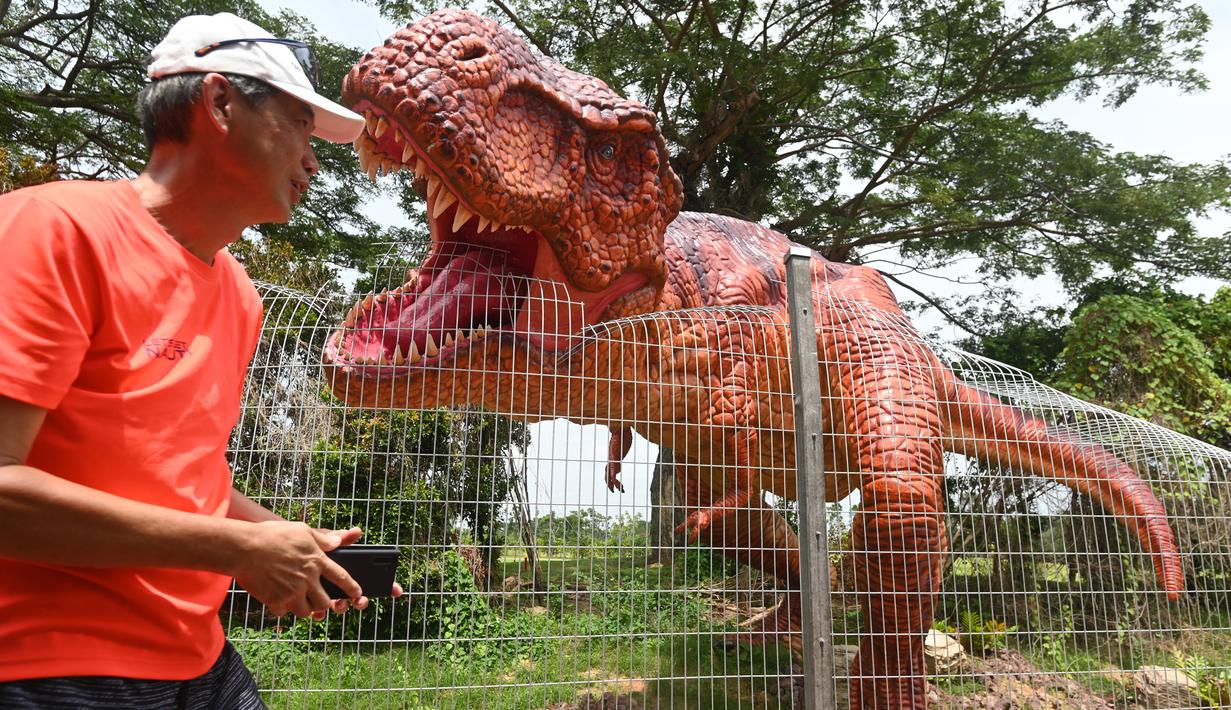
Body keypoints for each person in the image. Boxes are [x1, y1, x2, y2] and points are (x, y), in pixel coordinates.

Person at [0, 12, 396, 709]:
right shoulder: (51, 230)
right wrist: (236, 550)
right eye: (301, 124)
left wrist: (277, 536)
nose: (313, 158)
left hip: (200, 657)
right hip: (51, 661)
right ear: (219, 104)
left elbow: (185, 483)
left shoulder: (239, 293)